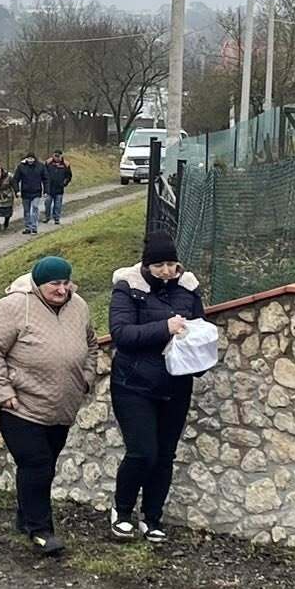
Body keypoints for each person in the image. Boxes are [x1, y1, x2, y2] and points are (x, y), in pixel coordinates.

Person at [0, 255, 96, 556]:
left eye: (66, 283)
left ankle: (25, 516)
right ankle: (41, 530)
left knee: (46, 464)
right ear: (38, 284)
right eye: (55, 284)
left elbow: (92, 344)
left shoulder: (78, 306)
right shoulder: (14, 306)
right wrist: (2, 391)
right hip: (21, 404)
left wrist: (86, 378)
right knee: (36, 463)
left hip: (61, 405)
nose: (62, 289)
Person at [107, 230, 206, 544]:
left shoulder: (188, 288)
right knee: (142, 452)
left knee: (164, 456)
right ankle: (122, 511)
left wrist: (200, 353)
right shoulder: (128, 288)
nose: (166, 271)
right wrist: (165, 327)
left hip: (176, 384)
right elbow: (122, 334)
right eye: (159, 265)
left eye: (171, 264)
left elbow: (199, 325)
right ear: (146, 265)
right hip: (133, 383)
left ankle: (152, 518)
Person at [14, 154, 47, 235]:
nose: (30, 160)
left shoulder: (40, 166)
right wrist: (17, 191)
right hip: (25, 192)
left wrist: (46, 191)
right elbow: (15, 179)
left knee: (35, 207)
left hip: (36, 192)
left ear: (34, 159)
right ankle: (28, 227)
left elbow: (46, 179)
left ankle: (34, 227)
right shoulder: (21, 167)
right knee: (27, 211)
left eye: (32, 158)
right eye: (29, 158)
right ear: (26, 159)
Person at [45, 151, 73, 225]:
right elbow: (44, 173)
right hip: (49, 188)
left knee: (58, 205)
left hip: (59, 188)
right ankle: (47, 217)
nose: (57, 158)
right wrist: (45, 183)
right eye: (55, 156)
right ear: (53, 155)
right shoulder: (48, 162)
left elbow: (69, 176)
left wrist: (64, 183)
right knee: (47, 203)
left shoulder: (66, 164)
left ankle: (56, 218)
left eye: (58, 156)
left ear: (61, 156)